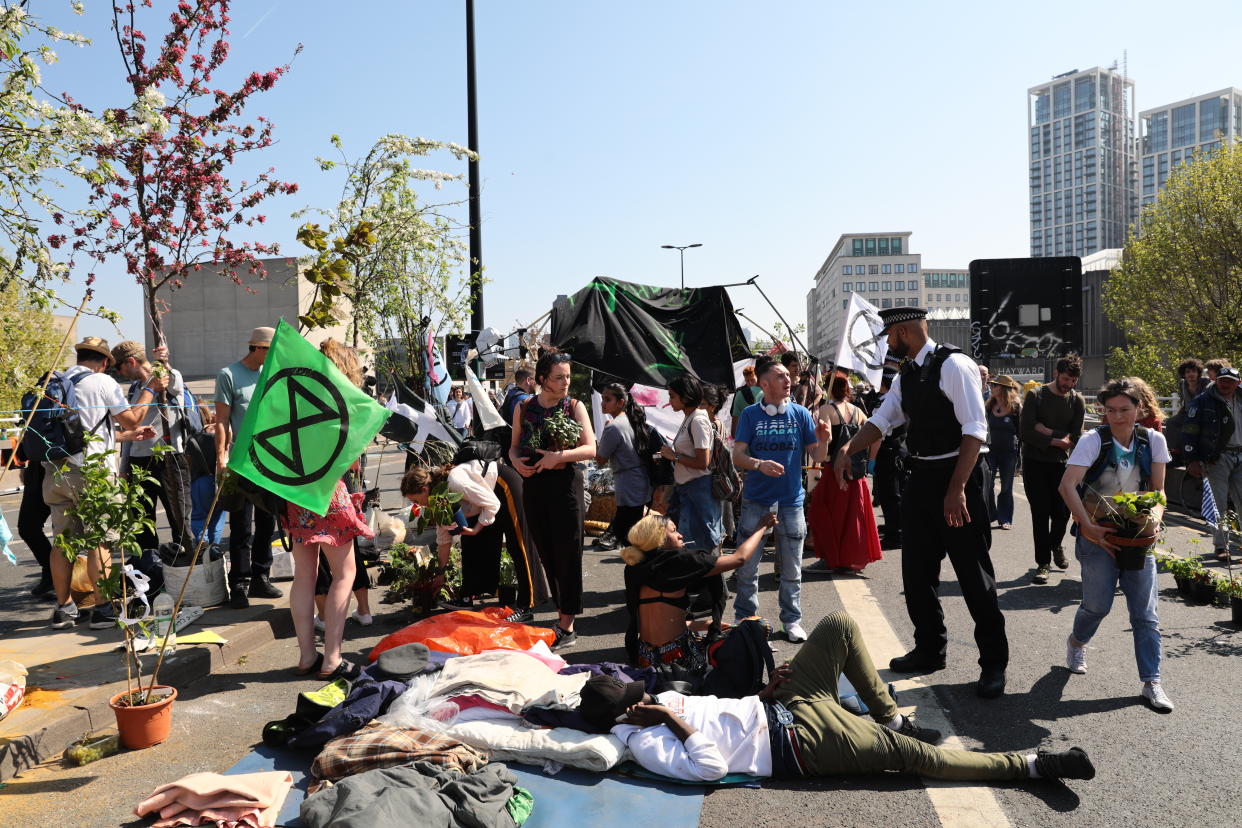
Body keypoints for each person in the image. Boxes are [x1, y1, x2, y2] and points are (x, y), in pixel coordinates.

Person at [579, 611, 1095, 785]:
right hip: (801, 743)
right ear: (626, 711)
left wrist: (764, 691)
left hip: (780, 704)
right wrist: (669, 719)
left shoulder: (648, 713)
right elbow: (712, 767)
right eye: (634, 696)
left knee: (839, 626)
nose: (643, 694)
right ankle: (1031, 765)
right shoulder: (648, 743)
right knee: (924, 760)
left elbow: (723, 714)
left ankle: (890, 717)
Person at [831, 307, 1008, 699]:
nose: (887, 344)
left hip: (959, 477)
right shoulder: (907, 374)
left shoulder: (954, 365)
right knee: (916, 573)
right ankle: (930, 649)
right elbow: (883, 420)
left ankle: (993, 663)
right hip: (923, 478)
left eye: (890, 336)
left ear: (905, 331)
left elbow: (975, 431)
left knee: (973, 576)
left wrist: (956, 489)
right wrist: (848, 447)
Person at [1058, 378, 1174, 712]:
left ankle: (1152, 682)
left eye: (1125, 410)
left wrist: (1155, 516)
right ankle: (1077, 642)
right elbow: (1068, 486)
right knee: (1097, 605)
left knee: (1146, 614)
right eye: (1110, 410)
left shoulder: (1153, 440)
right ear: (1102, 410)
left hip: (1137, 536)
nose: (1118, 416)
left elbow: (1159, 491)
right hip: (1097, 532)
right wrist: (1088, 527)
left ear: (1140, 409)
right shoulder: (1093, 441)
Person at [45, 337, 159, 630]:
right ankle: (102, 608)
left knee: (62, 542)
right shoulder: (102, 383)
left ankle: (64, 609)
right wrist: (150, 390)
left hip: (57, 472)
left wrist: (123, 438)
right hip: (93, 474)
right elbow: (133, 419)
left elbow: (81, 434)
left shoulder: (55, 380)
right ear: (105, 361)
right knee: (101, 540)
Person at [285, 339, 374, 680]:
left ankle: (307, 654)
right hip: (329, 493)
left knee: (304, 576)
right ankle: (332, 657)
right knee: (344, 574)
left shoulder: (300, 398)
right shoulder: (344, 404)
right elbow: (349, 462)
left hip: (298, 495)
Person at [731, 355, 827, 643]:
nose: (789, 379)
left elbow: (818, 457)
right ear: (764, 383)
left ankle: (792, 621)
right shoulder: (750, 414)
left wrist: (824, 439)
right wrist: (759, 464)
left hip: (791, 501)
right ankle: (745, 620)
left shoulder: (800, 414)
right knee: (747, 568)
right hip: (756, 500)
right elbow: (737, 456)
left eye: (789, 375)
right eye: (782, 376)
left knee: (792, 569)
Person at [509, 352, 597, 650]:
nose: (566, 382)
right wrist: (516, 464)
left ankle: (567, 625)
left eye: (568, 376)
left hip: (565, 486)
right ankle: (562, 618)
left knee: (568, 555)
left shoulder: (574, 406)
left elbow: (591, 448)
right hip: (533, 485)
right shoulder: (523, 407)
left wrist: (559, 457)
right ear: (542, 379)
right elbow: (512, 448)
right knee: (546, 552)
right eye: (559, 377)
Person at [621, 512, 775, 676]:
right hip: (677, 659)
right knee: (759, 626)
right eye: (674, 531)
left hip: (645, 658)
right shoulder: (678, 561)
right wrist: (761, 528)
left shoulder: (634, 568)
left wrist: (706, 624)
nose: (681, 535)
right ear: (659, 538)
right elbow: (739, 559)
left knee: (719, 632)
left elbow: (661, 620)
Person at [401, 456, 548, 623]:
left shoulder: (455, 481)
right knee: (471, 543)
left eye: (415, 500)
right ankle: (466, 597)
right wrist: (440, 573)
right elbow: (444, 537)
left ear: (425, 490)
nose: (417, 505)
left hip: (503, 485)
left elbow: (492, 504)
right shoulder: (438, 499)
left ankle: (526, 606)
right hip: (484, 498)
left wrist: (477, 528)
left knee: (518, 546)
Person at [215, 326, 284, 608]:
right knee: (241, 525)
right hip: (241, 462)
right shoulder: (228, 375)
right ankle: (240, 583)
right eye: (270, 351)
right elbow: (221, 420)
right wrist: (221, 455)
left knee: (268, 524)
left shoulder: (272, 376)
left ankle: (261, 577)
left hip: (270, 462)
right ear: (258, 348)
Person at [112, 341, 194, 554]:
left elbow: (175, 384)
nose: (120, 374)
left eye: (119, 368)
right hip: (139, 463)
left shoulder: (166, 378)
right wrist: (124, 467)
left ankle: (183, 565)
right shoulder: (134, 389)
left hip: (170, 457)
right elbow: (130, 432)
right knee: (142, 522)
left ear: (130, 362)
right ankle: (149, 570)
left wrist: (164, 362)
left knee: (179, 518)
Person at [1020, 355, 1085, 585]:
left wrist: (1046, 430)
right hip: (1034, 462)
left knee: (1062, 512)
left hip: (1062, 464)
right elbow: (1026, 432)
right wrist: (1057, 439)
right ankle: (1043, 563)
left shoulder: (1077, 400)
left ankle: (1056, 544)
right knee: (1040, 513)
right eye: (1066, 378)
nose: (1069, 384)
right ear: (1056, 373)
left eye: (1073, 381)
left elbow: (1076, 435)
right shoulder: (1035, 395)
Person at [808, 376, 882, 573]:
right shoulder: (858, 411)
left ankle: (829, 558)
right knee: (852, 518)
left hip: (834, 470)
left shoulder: (825, 410)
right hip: (857, 473)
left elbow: (827, 438)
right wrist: (871, 460)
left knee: (823, 514)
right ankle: (847, 559)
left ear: (830, 388)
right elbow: (876, 435)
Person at [1183, 365, 1242, 562]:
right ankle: (1221, 546)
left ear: (1238, 383)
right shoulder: (1203, 401)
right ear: (1216, 381)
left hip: (1241, 454)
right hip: (1217, 457)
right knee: (1218, 503)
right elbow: (1190, 430)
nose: (1225, 384)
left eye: (1230, 381)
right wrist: (1192, 460)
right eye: (1222, 380)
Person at [659, 374, 720, 554]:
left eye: (672, 396)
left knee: (699, 546)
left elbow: (703, 462)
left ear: (685, 397)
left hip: (699, 490)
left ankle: (709, 581)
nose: (670, 401)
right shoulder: (690, 417)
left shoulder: (698, 420)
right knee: (689, 544)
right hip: (687, 489)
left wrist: (674, 456)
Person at [595, 382, 656, 552]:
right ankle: (622, 541)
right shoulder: (630, 420)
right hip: (638, 478)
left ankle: (629, 548)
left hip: (628, 480)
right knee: (631, 517)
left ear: (621, 402)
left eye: (608, 399)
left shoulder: (613, 426)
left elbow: (600, 458)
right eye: (602, 399)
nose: (603, 403)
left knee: (628, 519)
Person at [871, 368, 907, 549]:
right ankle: (894, 528)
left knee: (890, 495)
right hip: (897, 452)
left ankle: (896, 535)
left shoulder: (886, 403)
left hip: (888, 453)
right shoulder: (895, 400)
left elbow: (878, 434)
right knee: (893, 494)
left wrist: (871, 459)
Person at [15, 443, 54, 599]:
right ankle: (50, 572)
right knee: (27, 527)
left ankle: (67, 581)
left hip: (64, 468)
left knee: (64, 533)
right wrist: (24, 466)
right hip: (36, 471)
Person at [186, 398, 226, 549]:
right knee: (217, 518)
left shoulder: (192, 437)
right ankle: (214, 549)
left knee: (198, 518)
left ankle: (201, 547)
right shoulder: (221, 434)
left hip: (198, 481)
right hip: (217, 478)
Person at [986, 375, 1022, 530]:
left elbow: (1021, 433)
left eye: (995, 385)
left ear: (1003, 388)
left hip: (1009, 452)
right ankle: (991, 515)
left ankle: (1005, 518)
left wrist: (1020, 457)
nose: (991, 387)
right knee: (988, 484)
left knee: (1006, 486)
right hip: (990, 451)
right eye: (992, 384)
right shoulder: (988, 406)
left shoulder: (1016, 408)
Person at [730, 365, 761, 439]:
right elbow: (733, 414)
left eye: (752, 380)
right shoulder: (740, 392)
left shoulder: (764, 391)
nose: (750, 383)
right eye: (747, 381)